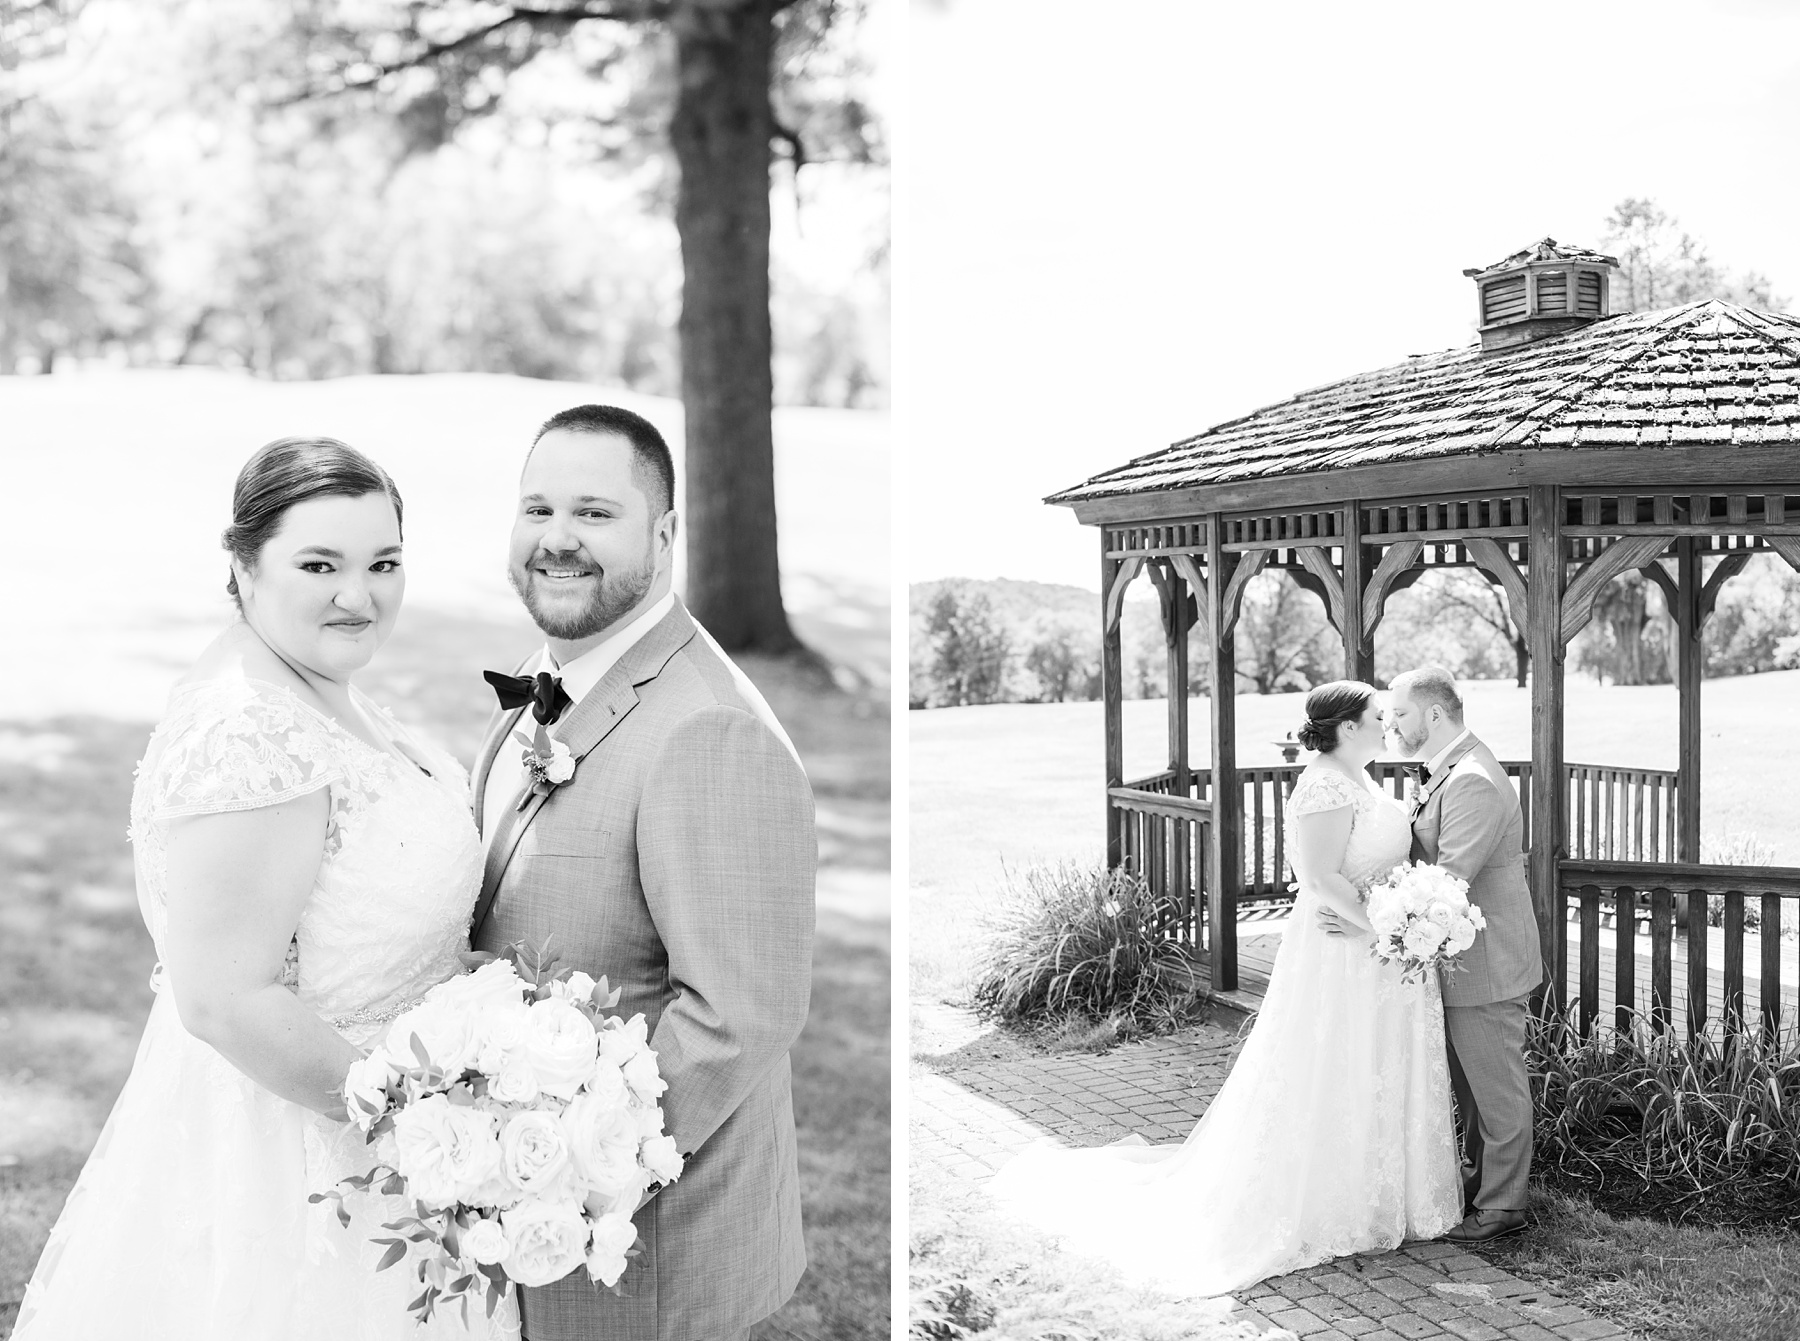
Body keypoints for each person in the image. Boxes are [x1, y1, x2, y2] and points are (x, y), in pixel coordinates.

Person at [13, 437, 517, 1339]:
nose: (358, 596)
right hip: (303, 1168)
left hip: (381, 1137)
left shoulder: (319, 683)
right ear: (242, 562)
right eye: (318, 563)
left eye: (383, 563)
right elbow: (224, 999)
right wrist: (422, 1128)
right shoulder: (252, 734)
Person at [470, 404, 816, 1341]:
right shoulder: (547, 684)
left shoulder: (709, 730)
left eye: (594, 511)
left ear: (663, 535)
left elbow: (739, 1014)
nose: (557, 539)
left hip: (645, 1257)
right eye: (536, 508)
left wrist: (555, 1173)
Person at [987, 680, 1461, 1297]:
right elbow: (1319, 876)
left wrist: (1402, 921)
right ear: (1347, 727)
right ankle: (1326, 1199)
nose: (1387, 726)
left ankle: (1383, 1193)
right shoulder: (1326, 782)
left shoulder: (1359, 775)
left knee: (1370, 1063)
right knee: (1333, 1061)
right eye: (1377, 717)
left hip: (1376, 948)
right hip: (1343, 950)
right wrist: (1386, 928)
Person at [1384, 665, 1540, 1242]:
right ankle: (1482, 1193)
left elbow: (1449, 879)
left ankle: (1504, 1206)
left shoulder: (1471, 778)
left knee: (1495, 1088)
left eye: (1399, 713)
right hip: (1463, 959)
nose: (1391, 724)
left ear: (1433, 714)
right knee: (1473, 1089)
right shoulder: (1448, 770)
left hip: (1486, 961)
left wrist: (1383, 915)